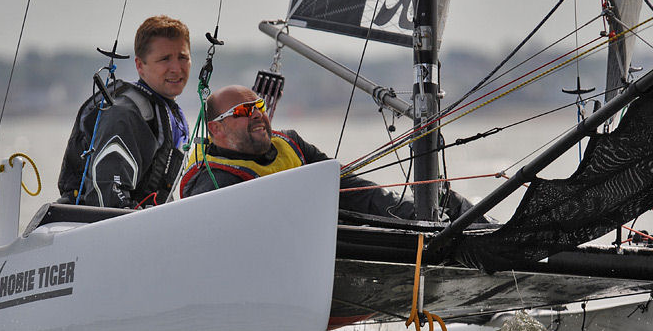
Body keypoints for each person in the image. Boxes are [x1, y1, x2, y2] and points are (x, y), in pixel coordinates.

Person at [179, 85, 485, 222]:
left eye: (259, 106)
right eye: (244, 111)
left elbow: (356, 193)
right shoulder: (210, 180)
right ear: (216, 130)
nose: (258, 113)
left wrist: (419, 217)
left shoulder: (292, 144)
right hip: (284, 261)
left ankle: (508, 255)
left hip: (334, 247)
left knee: (441, 202)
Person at [57, 15, 191, 208]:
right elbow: (107, 195)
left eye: (183, 57)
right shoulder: (123, 114)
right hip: (93, 226)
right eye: (164, 59)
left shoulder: (168, 112)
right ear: (140, 65)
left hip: (147, 222)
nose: (176, 68)